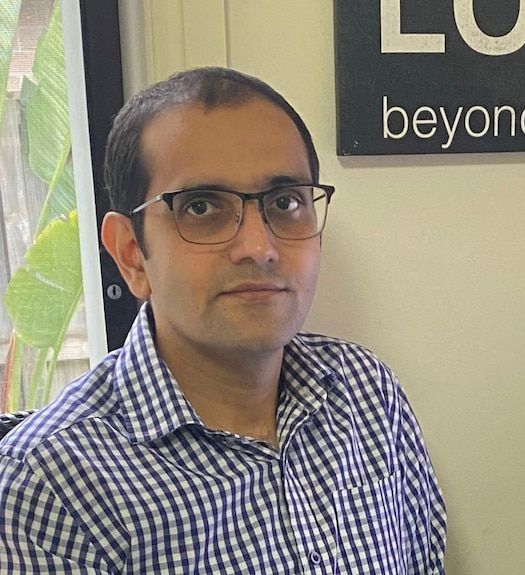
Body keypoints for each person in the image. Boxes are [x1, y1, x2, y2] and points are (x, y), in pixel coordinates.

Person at [0, 67, 446, 573]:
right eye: (202, 206)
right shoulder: (51, 489)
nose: (259, 248)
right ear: (131, 255)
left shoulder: (367, 395)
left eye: (284, 202)